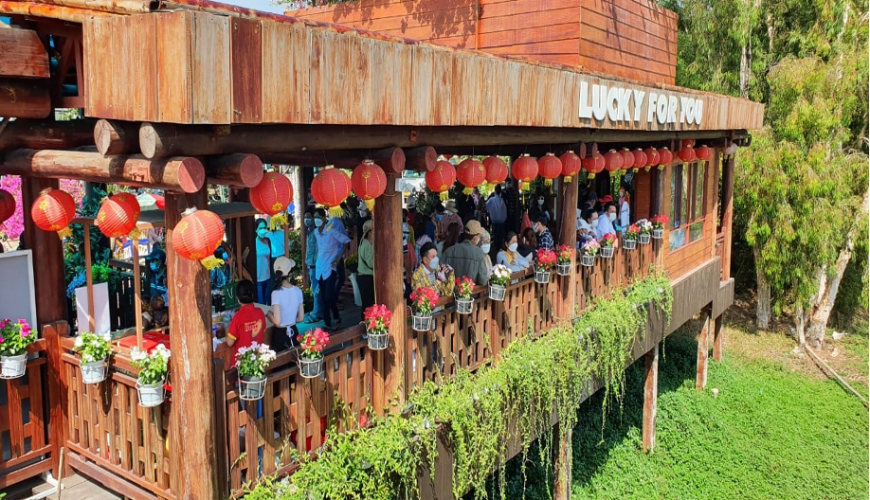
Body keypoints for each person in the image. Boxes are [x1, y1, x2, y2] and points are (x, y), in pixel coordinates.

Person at [314, 210, 351, 330]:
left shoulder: (332, 231)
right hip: (320, 268)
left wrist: (338, 257)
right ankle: (328, 322)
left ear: (324, 218)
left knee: (328, 297)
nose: (316, 220)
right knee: (323, 297)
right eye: (315, 217)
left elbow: (346, 241)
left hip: (331, 267)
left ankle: (335, 317)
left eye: (318, 217)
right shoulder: (315, 232)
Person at [267, 257, 304, 352]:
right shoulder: (298, 291)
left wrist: (269, 314)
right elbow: (301, 318)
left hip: (280, 335)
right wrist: (290, 321)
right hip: (293, 331)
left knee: (281, 364)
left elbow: (278, 321)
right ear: (289, 273)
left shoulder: (276, 293)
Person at [226, 280, 266, 358]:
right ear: (253, 295)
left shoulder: (237, 317)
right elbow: (262, 331)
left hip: (242, 363)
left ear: (237, 298)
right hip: (257, 361)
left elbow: (229, 343)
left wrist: (226, 331)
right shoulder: (260, 313)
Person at [442, 220, 489, 286]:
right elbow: (483, 281)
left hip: (451, 294)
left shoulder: (449, 250)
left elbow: (441, 274)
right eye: (479, 236)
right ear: (475, 238)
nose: (479, 238)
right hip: (471, 293)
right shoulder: (479, 253)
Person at [303, 209, 323, 323]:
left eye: (309, 217)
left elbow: (317, 250)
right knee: (316, 290)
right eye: (305, 217)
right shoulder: (310, 231)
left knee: (316, 291)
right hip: (312, 265)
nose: (307, 220)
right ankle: (318, 312)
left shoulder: (316, 232)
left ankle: (316, 314)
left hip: (316, 266)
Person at [357, 219, 375, 319]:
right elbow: (371, 263)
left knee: (367, 304)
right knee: (367, 305)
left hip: (365, 277)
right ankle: (365, 327)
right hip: (366, 278)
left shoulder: (365, 242)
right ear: (370, 232)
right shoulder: (367, 244)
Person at [485, 184, 507, 255]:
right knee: (500, 236)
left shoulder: (492, 200)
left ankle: (496, 248)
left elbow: (486, 207)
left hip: (495, 221)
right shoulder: (502, 200)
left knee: (496, 235)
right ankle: (499, 248)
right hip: (501, 221)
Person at [255, 218, 273, 305]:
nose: (263, 230)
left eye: (264, 228)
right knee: (261, 305)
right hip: (258, 279)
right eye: (260, 228)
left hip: (268, 277)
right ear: (256, 230)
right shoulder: (253, 243)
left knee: (268, 304)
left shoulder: (268, 241)